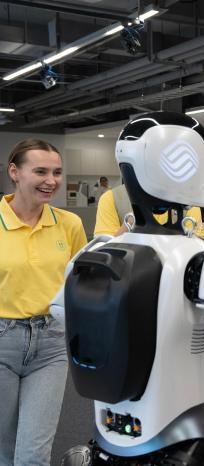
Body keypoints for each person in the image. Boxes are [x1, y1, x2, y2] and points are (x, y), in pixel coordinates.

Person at [0, 139, 87, 466]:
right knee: (4, 449)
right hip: (3, 339)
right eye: (40, 171)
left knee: (33, 454)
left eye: (57, 172)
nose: (51, 180)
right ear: (15, 172)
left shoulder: (69, 224)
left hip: (51, 344)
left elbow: (79, 282)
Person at [94, 183, 204, 239]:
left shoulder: (187, 201)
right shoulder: (113, 198)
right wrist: (128, 226)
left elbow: (199, 249)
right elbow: (101, 252)